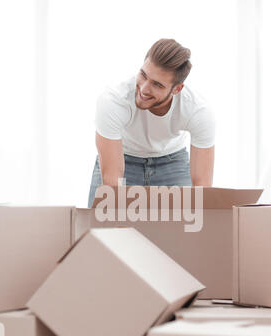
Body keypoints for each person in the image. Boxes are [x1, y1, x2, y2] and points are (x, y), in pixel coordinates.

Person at [88, 38, 215, 208]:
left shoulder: (198, 111)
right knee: (102, 227)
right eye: (143, 75)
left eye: (157, 84)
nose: (145, 89)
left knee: (190, 226)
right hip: (123, 159)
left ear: (177, 89)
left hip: (172, 163)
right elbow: (112, 181)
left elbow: (202, 189)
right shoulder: (114, 101)